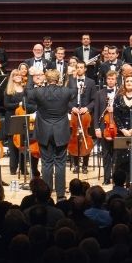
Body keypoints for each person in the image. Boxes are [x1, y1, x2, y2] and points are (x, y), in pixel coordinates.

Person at [26, 69, 78, 198]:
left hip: (44, 132)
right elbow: (74, 91)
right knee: (60, 163)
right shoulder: (65, 91)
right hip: (61, 131)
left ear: (46, 79)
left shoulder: (39, 91)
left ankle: (46, 194)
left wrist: (30, 76)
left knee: (46, 163)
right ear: (58, 79)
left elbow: (27, 92)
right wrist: (71, 75)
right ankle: (60, 195)